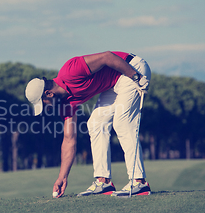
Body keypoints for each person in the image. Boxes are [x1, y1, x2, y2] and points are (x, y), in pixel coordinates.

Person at [25, 51, 151, 197]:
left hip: (131, 69)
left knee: (122, 122)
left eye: (43, 104)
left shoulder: (70, 71)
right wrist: (62, 177)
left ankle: (139, 182)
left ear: (49, 93)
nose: (46, 108)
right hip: (115, 82)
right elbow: (69, 139)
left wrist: (136, 77)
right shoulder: (65, 104)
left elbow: (107, 57)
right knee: (96, 123)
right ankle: (103, 182)